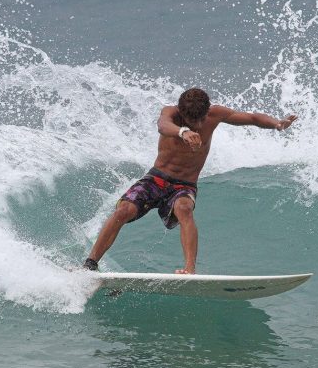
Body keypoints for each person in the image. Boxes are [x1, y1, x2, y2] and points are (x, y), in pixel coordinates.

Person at [83, 88, 297, 274]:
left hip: (184, 185)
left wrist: (277, 124)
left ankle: (189, 270)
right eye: (191, 122)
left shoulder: (215, 114)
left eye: (201, 121)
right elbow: (162, 125)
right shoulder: (171, 114)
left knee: (184, 208)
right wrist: (182, 132)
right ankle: (90, 264)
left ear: (207, 112)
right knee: (123, 210)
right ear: (182, 114)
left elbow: (252, 118)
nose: (198, 126)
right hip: (156, 177)